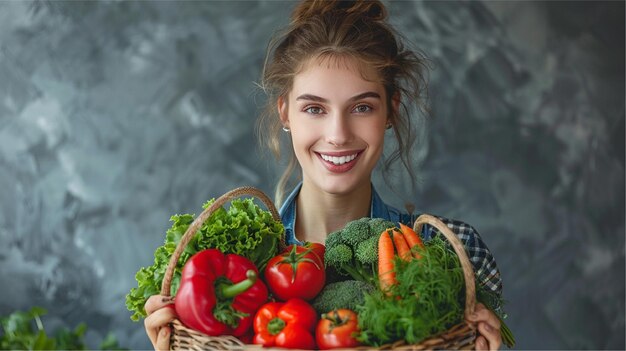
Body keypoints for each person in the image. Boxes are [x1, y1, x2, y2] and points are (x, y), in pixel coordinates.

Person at [144, 1, 504, 350]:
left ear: (391, 112)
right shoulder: (226, 268)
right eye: (315, 108)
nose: (338, 134)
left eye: (362, 107)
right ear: (285, 112)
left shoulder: (451, 253)